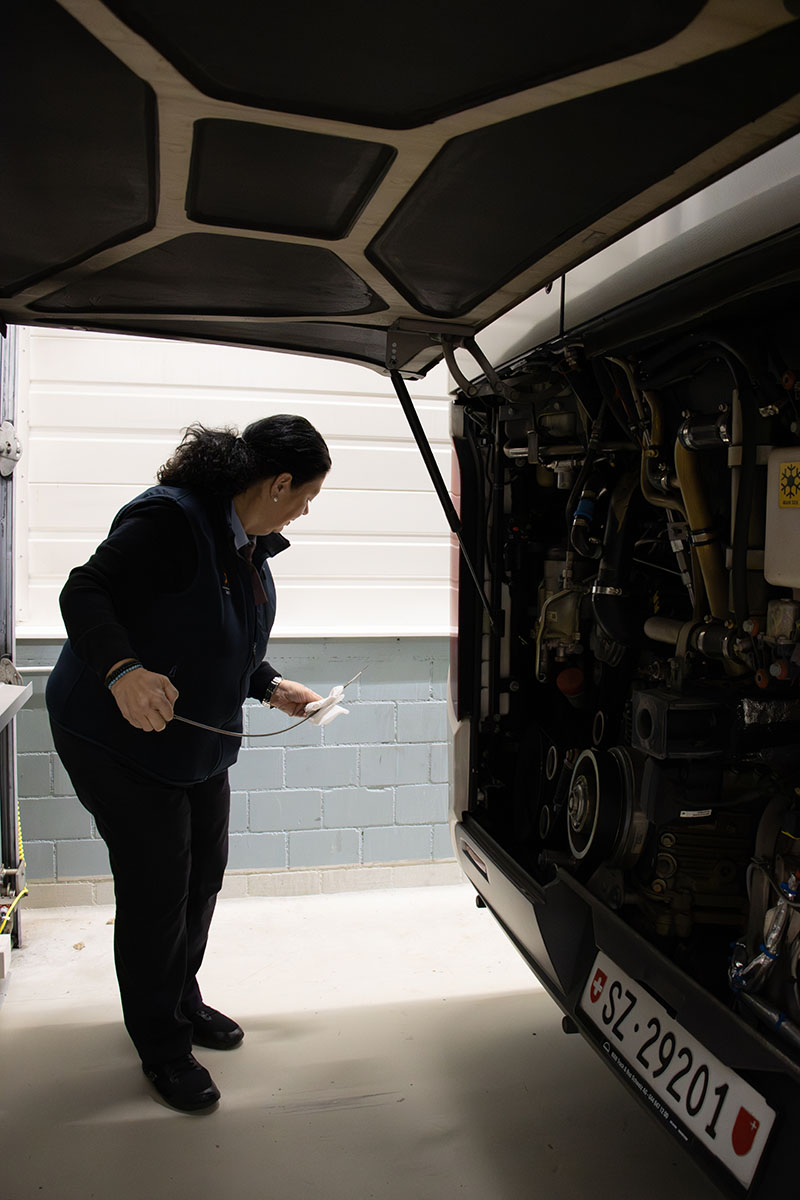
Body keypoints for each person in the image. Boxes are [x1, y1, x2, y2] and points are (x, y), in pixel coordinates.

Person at [46, 414, 331, 1112]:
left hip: (190, 740)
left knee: (203, 874)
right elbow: (84, 591)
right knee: (157, 890)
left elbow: (211, 631)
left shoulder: (246, 540)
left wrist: (267, 684)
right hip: (114, 734)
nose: (305, 510)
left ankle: (180, 998)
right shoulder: (171, 520)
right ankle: (161, 1046)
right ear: (279, 481)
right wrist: (122, 671)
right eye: (306, 495)